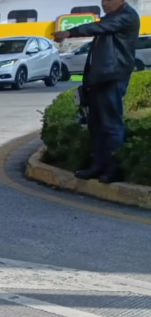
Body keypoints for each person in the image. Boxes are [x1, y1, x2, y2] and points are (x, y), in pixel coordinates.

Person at [54, 0, 139, 183]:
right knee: (96, 124)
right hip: (99, 78)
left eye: (109, 0)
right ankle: (98, 165)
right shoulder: (109, 18)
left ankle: (113, 169)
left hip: (113, 76)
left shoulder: (126, 16)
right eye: (103, 0)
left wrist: (70, 32)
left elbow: (100, 28)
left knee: (111, 124)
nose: (104, 4)